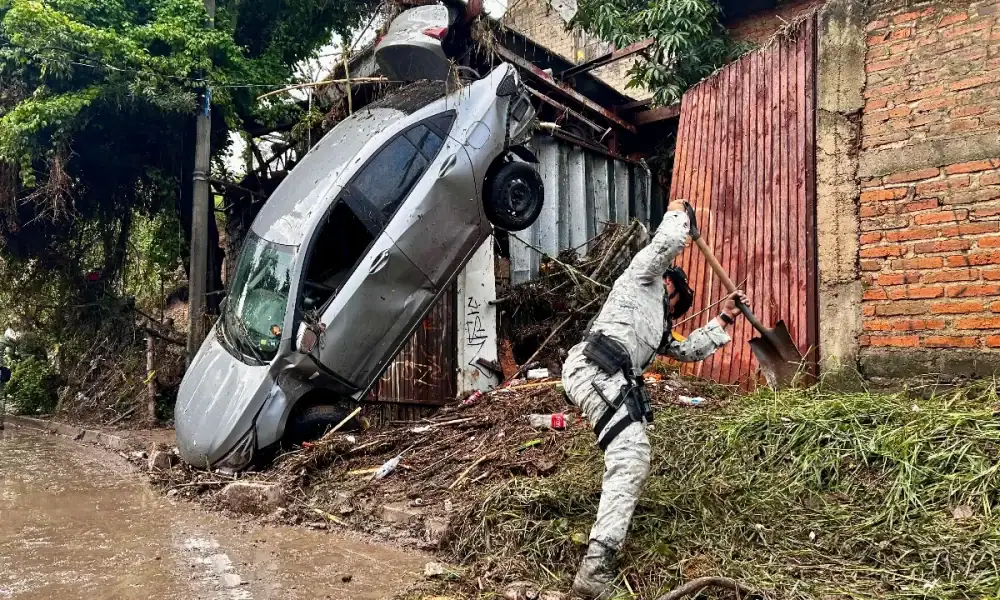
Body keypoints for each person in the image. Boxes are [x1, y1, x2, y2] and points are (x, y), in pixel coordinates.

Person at [561, 200, 748, 599]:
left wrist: (727, 316)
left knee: (633, 456)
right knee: (631, 456)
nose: (673, 311)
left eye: (677, 311)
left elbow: (688, 349)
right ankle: (594, 576)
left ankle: (597, 565)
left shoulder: (659, 327)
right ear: (669, 284)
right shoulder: (641, 277)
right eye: (675, 302)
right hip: (596, 366)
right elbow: (665, 245)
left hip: (612, 377)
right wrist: (680, 214)